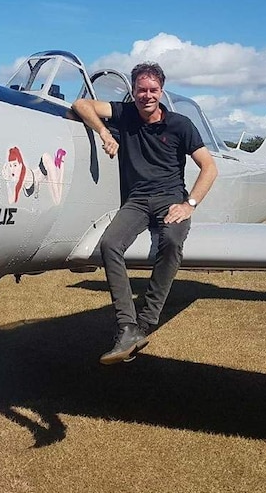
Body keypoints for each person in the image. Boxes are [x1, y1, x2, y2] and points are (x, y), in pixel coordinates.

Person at [70, 62, 218, 365]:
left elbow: (209, 167)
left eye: (152, 90)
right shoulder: (123, 114)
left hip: (170, 199)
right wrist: (104, 133)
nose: (146, 95)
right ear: (133, 91)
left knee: (172, 243)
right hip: (137, 201)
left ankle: (147, 321)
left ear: (160, 91)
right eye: (140, 90)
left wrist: (189, 204)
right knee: (110, 245)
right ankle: (126, 327)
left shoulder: (180, 125)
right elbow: (80, 104)